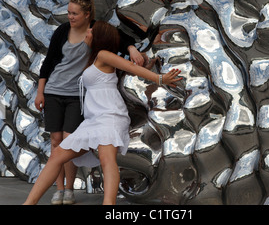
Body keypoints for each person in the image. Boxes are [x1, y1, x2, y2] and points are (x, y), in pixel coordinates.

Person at [24, 20, 182, 206]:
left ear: (99, 37)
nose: (87, 32)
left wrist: (159, 78)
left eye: (91, 30)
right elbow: (126, 71)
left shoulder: (103, 54)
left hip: (110, 116)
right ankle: (29, 203)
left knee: (107, 160)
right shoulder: (95, 57)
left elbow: (130, 67)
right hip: (93, 120)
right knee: (57, 156)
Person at [35, 0, 144, 205]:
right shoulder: (62, 31)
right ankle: (59, 189)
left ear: (87, 15)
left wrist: (131, 48)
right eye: (68, 12)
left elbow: (120, 39)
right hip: (54, 90)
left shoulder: (97, 32)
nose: (70, 17)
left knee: (69, 139)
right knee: (56, 141)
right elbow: (48, 62)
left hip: (78, 95)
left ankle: (69, 189)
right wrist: (41, 91)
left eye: (74, 13)